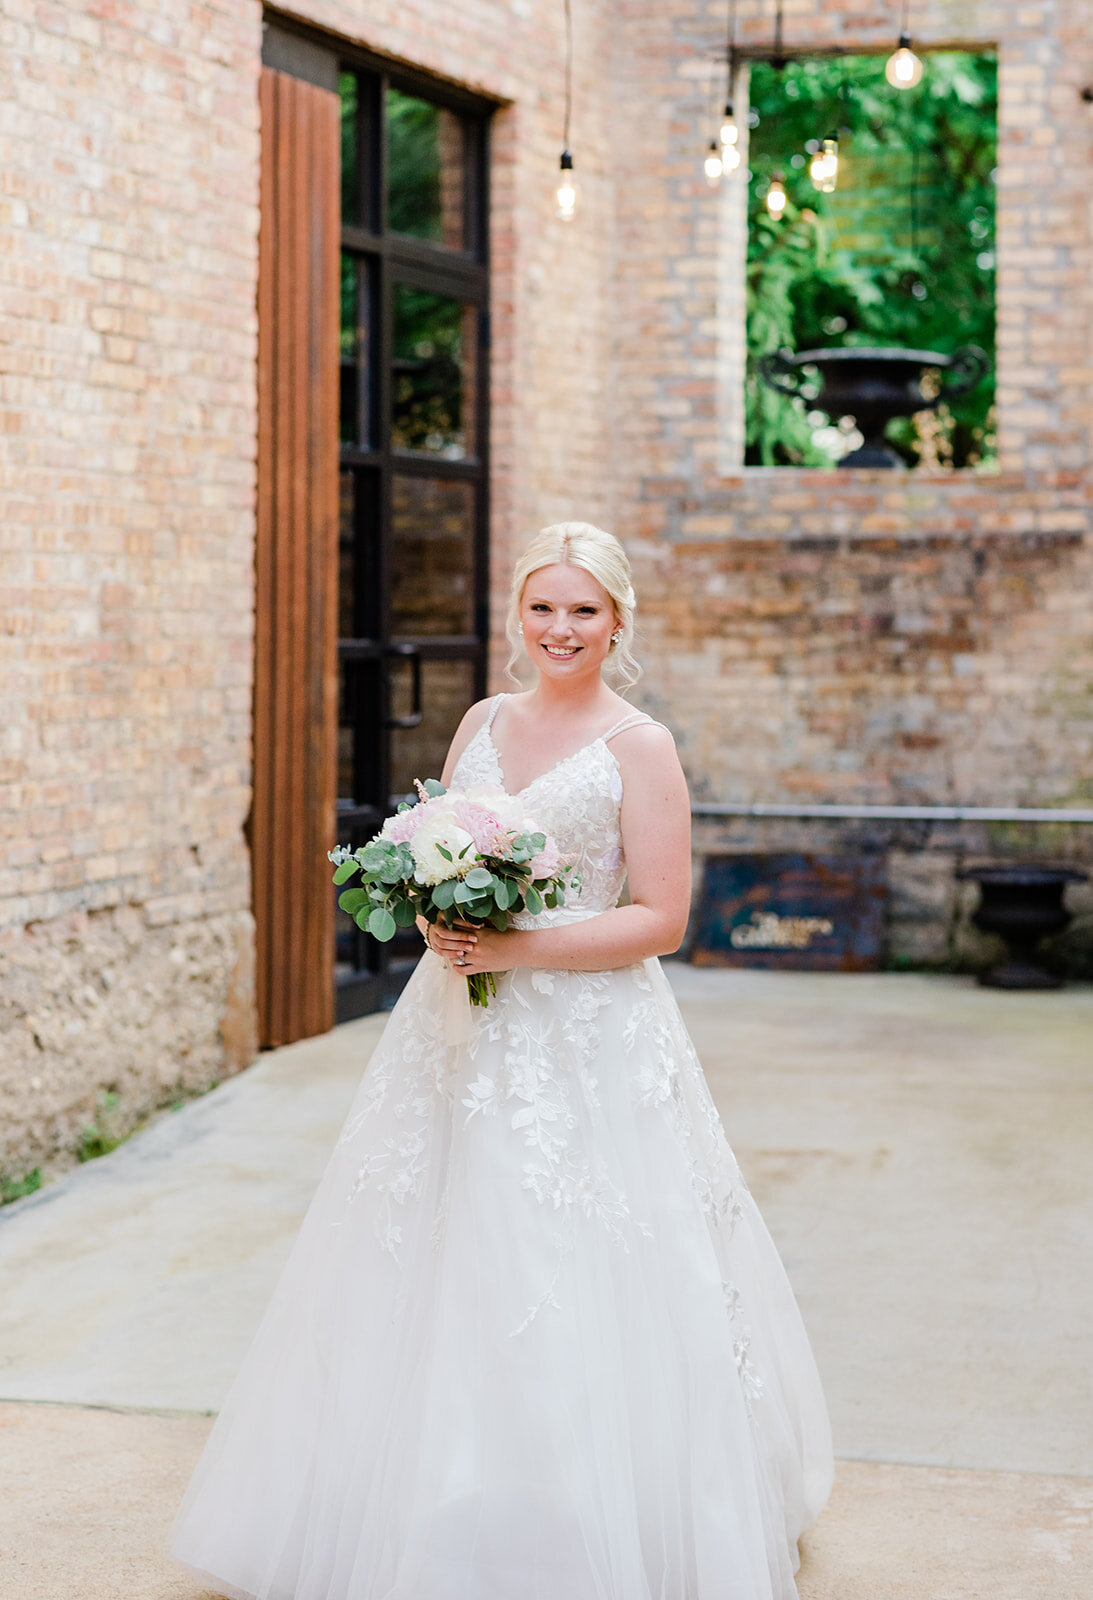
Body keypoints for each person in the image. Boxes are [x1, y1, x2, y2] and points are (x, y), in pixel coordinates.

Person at [171, 522, 833, 1600]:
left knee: (572, 1261)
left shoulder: (640, 745)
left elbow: (660, 918)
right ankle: (430, 1498)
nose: (559, 629)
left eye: (581, 610)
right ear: (516, 615)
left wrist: (516, 947)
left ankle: (600, 1517)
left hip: (589, 1040)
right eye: (541, 607)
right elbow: (448, 850)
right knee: (434, 1246)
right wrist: (438, 922)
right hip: (456, 1025)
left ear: (617, 620)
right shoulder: (480, 719)